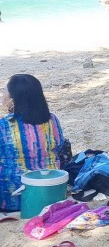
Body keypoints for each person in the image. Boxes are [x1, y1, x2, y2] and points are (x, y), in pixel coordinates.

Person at [1, 74, 67, 212]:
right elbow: (60, 146)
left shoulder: (4, 126)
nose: (3, 94)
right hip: (50, 191)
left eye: (5, 91)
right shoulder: (52, 120)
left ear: (13, 100)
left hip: (13, 196)